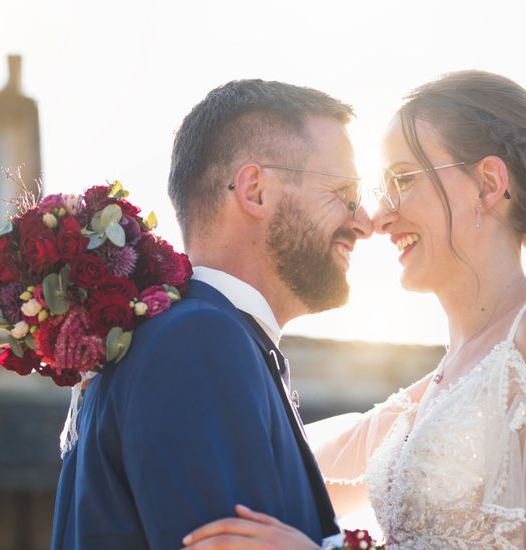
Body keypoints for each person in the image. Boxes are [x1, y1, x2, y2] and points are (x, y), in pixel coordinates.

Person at [182, 71, 526, 549]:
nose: (378, 218)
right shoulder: (430, 391)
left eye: (402, 180)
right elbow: (282, 470)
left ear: (486, 184)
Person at [51, 79, 373, 549]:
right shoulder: (198, 342)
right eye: (344, 194)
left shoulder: (184, 337)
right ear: (255, 191)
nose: (363, 222)